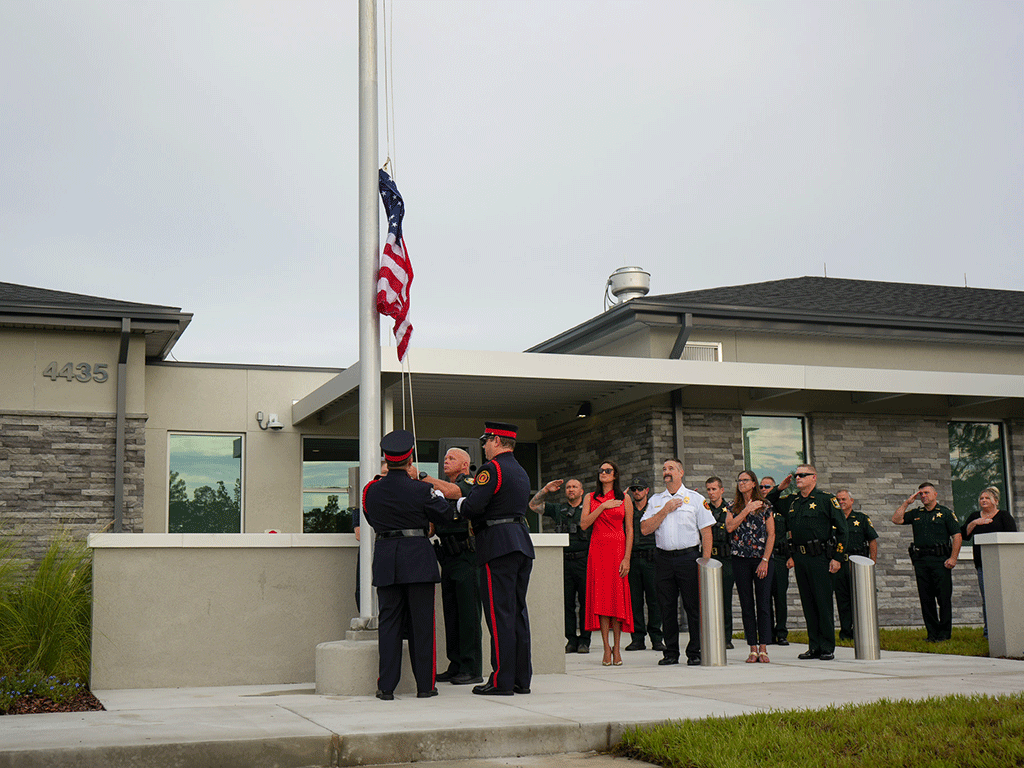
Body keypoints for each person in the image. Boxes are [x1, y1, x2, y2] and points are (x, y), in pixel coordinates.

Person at [361, 430, 454, 700]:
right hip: (418, 559)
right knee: (422, 626)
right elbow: (446, 515)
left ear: (387, 460)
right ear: (410, 458)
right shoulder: (423, 490)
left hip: (387, 558)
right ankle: (425, 686)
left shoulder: (371, 490)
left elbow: (370, 518)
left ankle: (386, 687)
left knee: (389, 625)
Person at [456, 422, 535, 696]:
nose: (485, 446)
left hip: (497, 544)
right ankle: (521, 679)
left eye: (487, 441)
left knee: (500, 614)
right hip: (520, 542)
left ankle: (502, 680)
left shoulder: (492, 469)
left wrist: (457, 504)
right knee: (517, 613)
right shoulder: (521, 470)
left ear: (498, 441)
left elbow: (473, 506)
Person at [641, 458, 714, 667]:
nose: (666, 472)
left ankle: (695, 652)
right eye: (664, 469)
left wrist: (705, 562)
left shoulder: (696, 499)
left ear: (681, 472)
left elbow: (706, 531)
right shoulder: (656, 500)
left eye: (671, 468)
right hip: (663, 559)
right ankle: (670, 652)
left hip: (689, 558)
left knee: (693, 607)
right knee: (666, 607)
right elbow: (645, 529)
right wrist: (665, 510)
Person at [419, 448, 483, 685]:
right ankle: (456, 664)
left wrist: (424, 480)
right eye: (445, 459)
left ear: (465, 465)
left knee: (468, 614)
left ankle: (472, 667)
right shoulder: (440, 491)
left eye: (452, 458)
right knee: (452, 614)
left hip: (467, 556)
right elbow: (433, 524)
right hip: (447, 556)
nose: (446, 462)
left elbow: (457, 493)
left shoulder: (469, 483)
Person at [774, 465, 847, 661]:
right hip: (801, 557)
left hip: (821, 557)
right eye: (796, 475)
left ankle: (827, 646)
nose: (798, 478)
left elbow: (842, 530)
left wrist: (837, 558)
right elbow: (770, 500)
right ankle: (814, 646)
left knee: (822, 602)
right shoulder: (793, 501)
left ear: (813, 477)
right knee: (808, 603)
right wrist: (780, 488)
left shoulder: (826, 500)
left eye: (802, 475)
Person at [892, 483, 961, 643]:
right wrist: (906, 503)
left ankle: (944, 634)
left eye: (927, 493)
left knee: (943, 598)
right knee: (926, 598)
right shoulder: (917, 513)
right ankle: (932, 633)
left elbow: (957, 535)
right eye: (921, 493)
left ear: (935, 494)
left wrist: (953, 558)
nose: (923, 496)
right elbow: (896, 519)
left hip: (941, 561)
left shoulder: (945, 513)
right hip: (921, 561)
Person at [580, 460, 634, 667]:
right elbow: (584, 524)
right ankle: (605, 648)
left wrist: (627, 558)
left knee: (617, 600)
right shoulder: (590, 497)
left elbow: (629, 529)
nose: (603, 473)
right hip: (598, 551)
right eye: (601, 470)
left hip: (618, 550)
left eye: (608, 470)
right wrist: (602, 506)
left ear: (615, 475)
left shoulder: (624, 498)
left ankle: (618, 648)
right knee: (602, 601)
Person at [529, 477, 591, 654]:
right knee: (567, 603)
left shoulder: (588, 509)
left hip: (583, 561)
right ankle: (571, 640)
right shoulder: (559, 509)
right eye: (568, 487)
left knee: (585, 602)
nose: (571, 489)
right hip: (563, 561)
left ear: (581, 491)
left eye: (575, 487)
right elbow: (533, 505)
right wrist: (546, 490)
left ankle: (584, 641)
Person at [727, 470, 776, 663]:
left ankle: (764, 648)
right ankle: (752, 648)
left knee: (763, 603)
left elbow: (771, 534)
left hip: (761, 559)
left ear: (754, 483)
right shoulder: (732, 506)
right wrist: (746, 510)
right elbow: (730, 527)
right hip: (740, 559)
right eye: (739, 480)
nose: (741, 483)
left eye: (745, 480)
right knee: (746, 604)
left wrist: (765, 559)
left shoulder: (765, 506)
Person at [961, 486, 1017, 639]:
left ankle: (1009, 629)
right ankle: (989, 632)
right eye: (981, 498)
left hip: (1002, 565)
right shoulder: (974, 516)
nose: (983, 500)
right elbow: (963, 535)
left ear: (996, 501)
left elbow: (1012, 539)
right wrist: (974, 523)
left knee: (1004, 597)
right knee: (987, 598)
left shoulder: (1004, 516)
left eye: (987, 498)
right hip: (982, 565)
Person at [625, 477, 665, 652]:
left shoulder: (654, 507)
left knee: (655, 600)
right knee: (635, 601)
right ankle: (637, 638)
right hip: (633, 558)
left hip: (652, 558)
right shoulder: (628, 509)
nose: (636, 492)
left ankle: (656, 638)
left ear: (647, 490)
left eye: (640, 489)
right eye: (634, 489)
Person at [832, 490, 878, 641]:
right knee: (842, 600)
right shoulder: (832, 520)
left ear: (851, 500)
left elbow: (872, 541)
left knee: (860, 599)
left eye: (844, 499)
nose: (841, 502)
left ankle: (862, 632)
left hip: (858, 563)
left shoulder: (862, 518)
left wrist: (872, 562)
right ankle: (846, 632)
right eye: (838, 499)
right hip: (840, 564)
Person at [705, 476, 735, 649]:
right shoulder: (704, 508)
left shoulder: (730, 509)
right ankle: (710, 635)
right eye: (708, 489)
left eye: (714, 489)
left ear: (721, 490)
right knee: (708, 599)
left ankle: (726, 637)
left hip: (726, 558)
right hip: (710, 557)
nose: (711, 493)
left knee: (725, 598)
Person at [761, 476, 792, 646]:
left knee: (780, 596)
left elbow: (791, 532)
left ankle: (781, 632)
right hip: (763, 558)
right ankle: (767, 633)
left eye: (768, 486)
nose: (764, 489)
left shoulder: (782, 507)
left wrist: (791, 556)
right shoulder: (758, 507)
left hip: (780, 557)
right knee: (764, 596)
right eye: (762, 486)